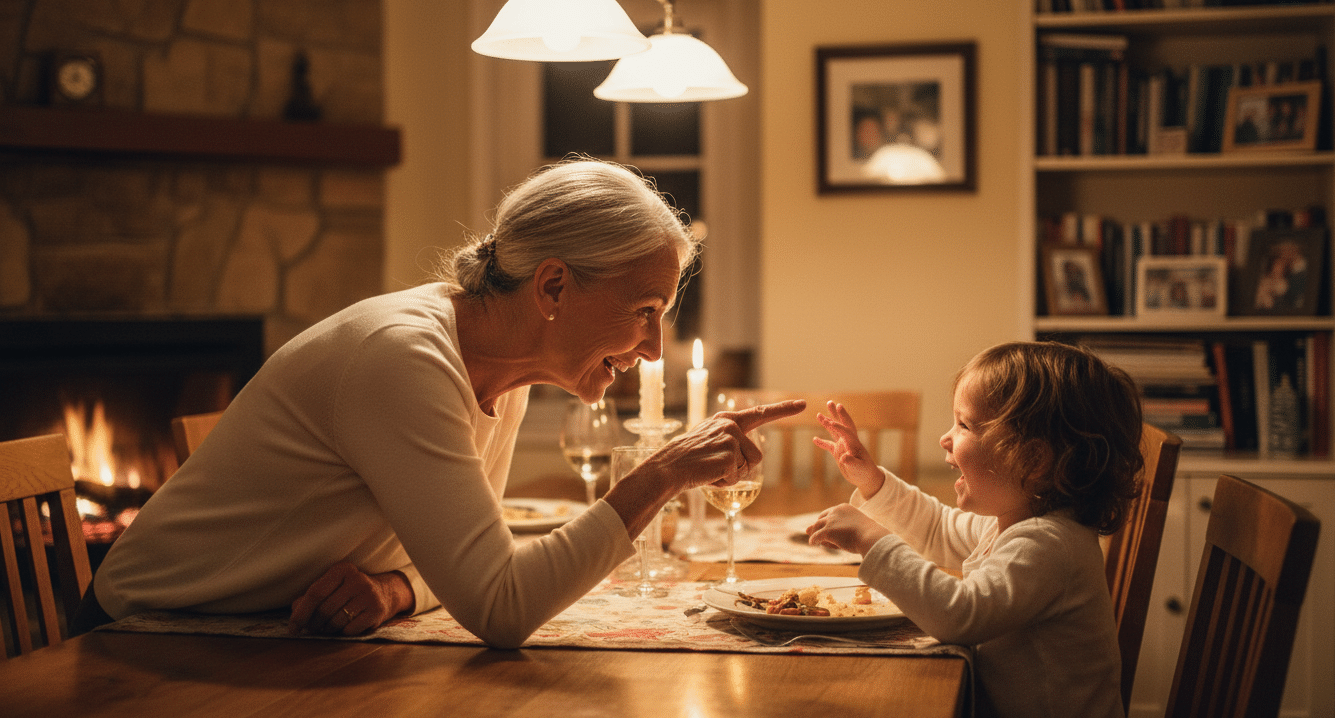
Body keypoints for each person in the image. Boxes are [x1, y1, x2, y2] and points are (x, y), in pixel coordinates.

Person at [77, 158, 804, 647]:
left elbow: (475, 567)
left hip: (264, 640)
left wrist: (394, 590)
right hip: (143, 642)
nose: (651, 347)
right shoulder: (403, 359)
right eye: (644, 310)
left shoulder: (500, 367)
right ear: (553, 286)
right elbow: (501, 606)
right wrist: (662, 474)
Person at [806, 341, 1144, 718]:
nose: (945, 438)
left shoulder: (1050, 545)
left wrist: (871, 538)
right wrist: (872, 482)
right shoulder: (1013, 522)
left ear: (1032, 460)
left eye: (964, 425)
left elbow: (960, 614)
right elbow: (936, 529)